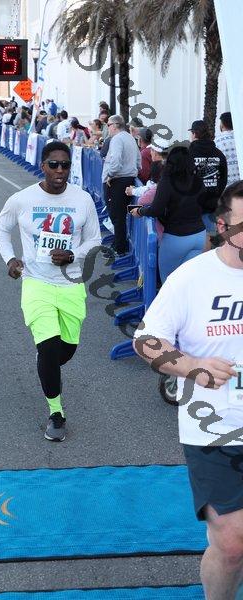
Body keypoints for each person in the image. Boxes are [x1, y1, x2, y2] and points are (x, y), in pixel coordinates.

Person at [133, 180, 243, 600]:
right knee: (231, 542)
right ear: (223, 226)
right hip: (216, 427)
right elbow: (146, 341)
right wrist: (193, 366)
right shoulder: (192, 278)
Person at [0, 141, 101, 442]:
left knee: (65, 350)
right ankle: (56, 414)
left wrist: (73, 254)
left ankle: (46, 363)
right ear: (43, 166)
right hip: (36, 283)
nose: (59, 170)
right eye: (53, 164)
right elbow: (1, 228)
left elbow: (95, 239)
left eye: (65, 165)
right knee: (50, 349)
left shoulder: (82, 200)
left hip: (71, 284)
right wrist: (10, 259)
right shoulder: (22, 199)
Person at [130, 146, 208, 282]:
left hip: (177, 237)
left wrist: (140, 211)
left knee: (168, 281)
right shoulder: (198, 180)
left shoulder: (167, 181)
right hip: (199, 235)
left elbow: (156, 209)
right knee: (190, 281)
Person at [101, 114, 141, 256]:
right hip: (128, 178)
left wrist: (110, 175)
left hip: (117, 179)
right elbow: (138, 160)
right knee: (119, 215)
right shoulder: (130, 137)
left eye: (108, 125)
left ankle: (119, 247)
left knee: (116, 215)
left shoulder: (117, 139)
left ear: (115, 125)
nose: (107, 128)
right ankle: (118, 244)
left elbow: (116, 159)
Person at [188, 120, 228, 247]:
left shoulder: (188, 154)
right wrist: (216, 194)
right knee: (209, 235)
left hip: (191, 204)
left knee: (192, 238)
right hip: (211, 203)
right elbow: (223, 179)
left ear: (194, 134)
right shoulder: (219, 154)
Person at [215, 112, 240, 186]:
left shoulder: (217, 142)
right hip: (240, 184)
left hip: (225, 185)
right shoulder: (240, 138)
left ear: (222, 124)